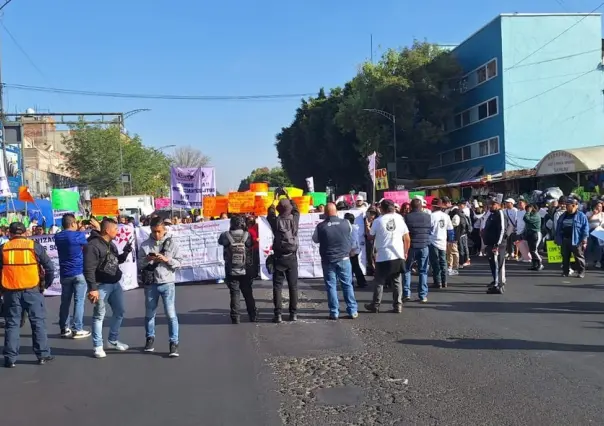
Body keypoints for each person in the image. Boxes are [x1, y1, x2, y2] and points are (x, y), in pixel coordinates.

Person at [1, 222, 55, 368]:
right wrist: (45, 286)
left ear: (9, 234)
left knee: (12, 324)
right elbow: (50, 268)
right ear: (25, 233)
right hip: (32, 290)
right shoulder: (34, 246)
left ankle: (10, 358)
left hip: (11, 291)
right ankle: (42, 355)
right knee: (38, 322)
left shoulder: (4, 248)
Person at [84, 218, 133, 358]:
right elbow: (88, 269)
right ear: (107, 230)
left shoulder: (111, 245)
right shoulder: (92, 246)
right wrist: (92, 288)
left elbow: (115, 262)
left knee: (119, 311)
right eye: (115, 229)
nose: (117, 231)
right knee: (99, 315)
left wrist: (125, 252)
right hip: (100, 286)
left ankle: (112, 340)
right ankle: (98, 346)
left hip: (114, 284)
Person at [138, 216, 182, 356]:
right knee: (150, 314)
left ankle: (173, 342)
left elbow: (180, 262)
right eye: (153, 231)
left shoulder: (172, 244)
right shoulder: (145, 245)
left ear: (164, 230)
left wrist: (167, 260)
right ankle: (150, 338)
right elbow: (139, 264)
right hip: (151, 284)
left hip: (167, 282)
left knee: (170, 314)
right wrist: (147, 259)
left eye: (159, 231)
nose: (156, 234)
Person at [364, 199, 410, 314]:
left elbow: (370, 237)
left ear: (382, 209)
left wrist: (367, 226)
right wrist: (405, 252)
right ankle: (398, 305)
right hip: (398, 254)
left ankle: (375, 305)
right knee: (396, 281)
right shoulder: (400, 219)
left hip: (383, 255)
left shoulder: (378, 221)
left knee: (379, 281)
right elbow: (407, 238)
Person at [313, 205, 359, 319]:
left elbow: (315, 240)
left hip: (328, 259)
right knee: (347, 285)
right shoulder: (346, 223)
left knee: (331, 286)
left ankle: (334, 312)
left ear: (325, 213)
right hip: (344, 258)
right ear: (336, 212)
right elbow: (350, 236)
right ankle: (352, 310)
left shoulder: (320, 226)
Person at [55, 213, 91, 339]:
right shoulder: (79, 235)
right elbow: (86, 245)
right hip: (78, 273)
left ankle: (64, 328)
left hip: (65, 274)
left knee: (65, 302)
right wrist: (81, 230)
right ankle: (77, 328)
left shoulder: (58, 236)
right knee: (79, 301)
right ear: (72, 223)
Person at [267, 189, 300, 323]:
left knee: (277, 286)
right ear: (290, 208)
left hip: (279, 257)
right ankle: (293, 314)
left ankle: (278, 314)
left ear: (279, 209)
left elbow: (270, 212)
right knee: (293, 286)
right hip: (291, 256)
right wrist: (288, 196)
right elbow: (297, 209)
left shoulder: (275, 221)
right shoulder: (295, 219)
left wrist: (275, 199)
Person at [218, 215, 258, 324]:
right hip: (245, 268)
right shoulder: (247, 235)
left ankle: (235, 317)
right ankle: (253, 315)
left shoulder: (225, 235)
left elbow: (220, 242)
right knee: (248, 293)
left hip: (231, 268)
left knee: (234, 293)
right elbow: (251, 245)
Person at [403, 198, 432, 302]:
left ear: (411, 206)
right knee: (423, 271)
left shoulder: (407, 217)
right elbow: (430, 230)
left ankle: (406, 293)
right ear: (421, 207)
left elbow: (405, 232)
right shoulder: (428, 217)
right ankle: (423, 295)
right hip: (424, 245)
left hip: (411, 246)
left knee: (407, 269)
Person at [555, 197, 589, 278]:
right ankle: (565, 271)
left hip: (576, 240)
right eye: (566, 205)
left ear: (575, 206)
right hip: (565, 239)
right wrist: (557, 238)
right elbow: (558, 228)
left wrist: (584, 240)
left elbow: (585, 229)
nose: (566, 207)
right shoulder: (563, 215)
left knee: (578, 257)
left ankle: (581, 272)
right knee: (565, 257)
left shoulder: (581, 216)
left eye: (569, 205)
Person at [482, 197, 507, 294]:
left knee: (497, 265)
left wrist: (497, 244)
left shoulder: (499, 214)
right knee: (493, 264)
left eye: (493, 204)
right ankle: (496, 282)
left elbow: (502, 230)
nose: (490, 206)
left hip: (497, 244)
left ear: (498, 204)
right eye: (490, 204)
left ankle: (498, 285)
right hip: (490, 244)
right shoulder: (492, 214)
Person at [429, 198, 454, 289]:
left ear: (433, 206)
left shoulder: (431, 216)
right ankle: (444, 281)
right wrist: (450, 240)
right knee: (443, 261)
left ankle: (437, 282)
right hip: (443, 241)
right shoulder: (446, 216)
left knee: (435, 262)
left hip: (433, 241)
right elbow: (450, 230)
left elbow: (428, 229)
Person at [344, 212, 367, 288]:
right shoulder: (353, 227)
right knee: (354, 266)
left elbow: (354, 240)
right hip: (353, 249)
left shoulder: (352, 228)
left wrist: (352, 250)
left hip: (353, 250)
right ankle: (359, 282)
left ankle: (360, 282)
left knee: (353, 267)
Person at [523, 204, 543, 271]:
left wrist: (528, 212)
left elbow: (526, 219)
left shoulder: (536, 215)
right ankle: (534, 264)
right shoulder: (531, 215)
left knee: (534, 250)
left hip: (535, 234)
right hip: (530, 234)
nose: (527, 210)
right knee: (531, 250)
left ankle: (540, 263)